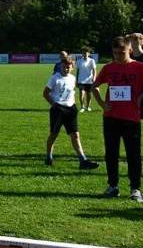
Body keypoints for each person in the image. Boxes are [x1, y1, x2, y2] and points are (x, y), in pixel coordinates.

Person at [92, 36, 143, 201]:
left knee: (133, 155)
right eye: (115, 53)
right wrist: (101, 103)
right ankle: (112, 186)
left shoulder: (139, 68)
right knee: (111, 154)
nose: (118, 56)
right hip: (111, 117)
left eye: (121, 53)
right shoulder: (109, 68)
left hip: (132, 117)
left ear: (130, 51)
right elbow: (95, 86)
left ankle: (135, 189)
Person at [43, 56, 99, 170]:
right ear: (61, 67)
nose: (66, 69)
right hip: (57, 109)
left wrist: (73, 105)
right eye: (64, 67)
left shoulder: (73, 78)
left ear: (72, 67)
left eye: (68, 67)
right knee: (54, 134)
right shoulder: (55, 78)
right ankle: (49, 157)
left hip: (70, 110)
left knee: (75, 135)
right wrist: (55, 105)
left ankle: (83, 160)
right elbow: (45, 93)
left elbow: (72, 92)